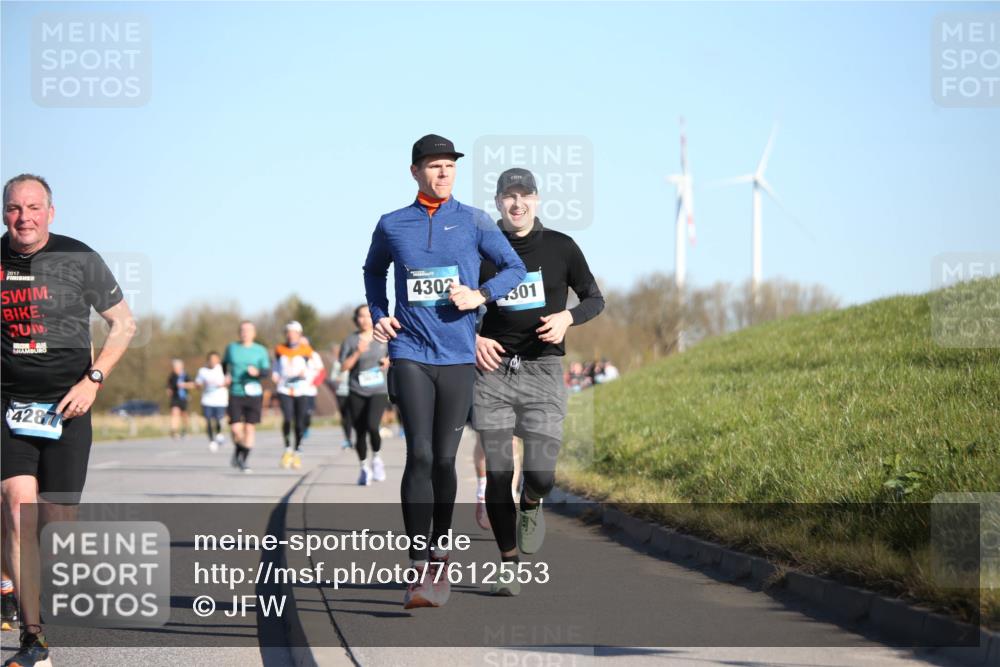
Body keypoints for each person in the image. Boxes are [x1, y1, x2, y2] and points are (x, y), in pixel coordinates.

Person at [364, 134, 525, 609]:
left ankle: (440, 551)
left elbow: (514, 268)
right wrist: (378, 313)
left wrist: (480, 295)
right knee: (419, 454)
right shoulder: (393, 224)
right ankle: (418, 568)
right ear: (415, 172)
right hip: (410, 350)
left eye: (449, 167)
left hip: (457, 357)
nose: (443, 173)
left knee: (443, 460)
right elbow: (374, 272)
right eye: (434, 166)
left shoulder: (474, 221)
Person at [1, 174, 136, 666]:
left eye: (34, 207)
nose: (24, 217)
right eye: (15, 208)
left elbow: (123, 323)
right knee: (17, 506)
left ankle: (14, 571)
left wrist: (94, 379)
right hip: (8, 404)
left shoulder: (79, 257)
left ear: (50, 213)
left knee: (56, 524)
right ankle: (32, 639)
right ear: (4, 213)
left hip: (68, 407)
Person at [473, 168, 604, 596]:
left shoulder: (561, 247)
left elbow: (594, 299)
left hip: (544, 371)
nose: (517, 203)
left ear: (537, 199)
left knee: (542, 473)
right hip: (492, 373)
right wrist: (473, 338)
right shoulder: (478, 250)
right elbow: (451, 307)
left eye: (524, 195)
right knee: (497, 472)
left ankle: (531, 501)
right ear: (497, 202)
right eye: (508, 196)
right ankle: (508, 564)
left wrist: (568, 317)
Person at [339, 305, 390, 485]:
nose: (365, 320)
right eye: (361, 316)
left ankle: (376, 458)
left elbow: (395, 354)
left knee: (372, 426)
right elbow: (343, 367)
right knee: (359, 432)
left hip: (378, 390)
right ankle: (363, 468)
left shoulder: (383, 335)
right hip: (357, 390)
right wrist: (357, 352)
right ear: (356, 319)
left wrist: (388, 361)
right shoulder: (350, 341)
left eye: (368, 316)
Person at [272, 321, 324, 469]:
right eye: (288, 333)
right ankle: (287, 449)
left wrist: (306, 374)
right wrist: (275, 375)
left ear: (299, 335)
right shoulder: (280, 349)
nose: (291, 335)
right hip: (284, 389)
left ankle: (298, 450)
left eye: (294, 333)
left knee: (300, 421)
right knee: (288, 418)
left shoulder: (307, 351)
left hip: (302, 389)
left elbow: (319, 369)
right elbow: (275, 366)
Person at [223, 321, 270, 473]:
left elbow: (266, 371)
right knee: (236, 429)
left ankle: (243, 460)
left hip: (254, 392)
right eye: (242, 330)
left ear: (254, 333)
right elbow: (224, 365)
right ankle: (238, 451)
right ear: (239, 333)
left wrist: (257, 373)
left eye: (248, 330)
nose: (245, 333)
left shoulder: (260, 350)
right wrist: (226, 375)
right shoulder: (232, 348)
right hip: (236, 391)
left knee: (249, 429)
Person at [195, 351, 228, 452]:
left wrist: (225, 384)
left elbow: (228, 380)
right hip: (207, 400)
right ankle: (211, 441)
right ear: (208, 360)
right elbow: (198, 384)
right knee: (208, 421)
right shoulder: (202, 371)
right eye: (211, 360)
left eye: (215, 359)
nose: (213, 361)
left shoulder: (222, 368)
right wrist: (200, 385)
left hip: (220, 400)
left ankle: (218, 433)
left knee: (218, 420)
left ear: (218, 360)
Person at [327, 344, 354, 449]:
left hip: (353, 392)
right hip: (341, 393)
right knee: (345, 417)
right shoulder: (337, 364)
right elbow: (333, 378)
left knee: (353, 416)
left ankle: (358, 437)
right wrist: (338, 379)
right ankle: (347, 439)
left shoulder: (354, 361)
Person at [166, 358, 194, 439]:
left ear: (181, 367)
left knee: (184, 415)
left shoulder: (185, 375)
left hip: (184, 398)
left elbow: (192, 384)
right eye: (174, 367)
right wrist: (169, 390)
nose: (175, 369)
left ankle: (185, 430)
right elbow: (168, 386)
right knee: (174, 413)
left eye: (177, 367)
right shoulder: (172, 376)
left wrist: (184, 385)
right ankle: (174, 431)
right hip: (175, 398)